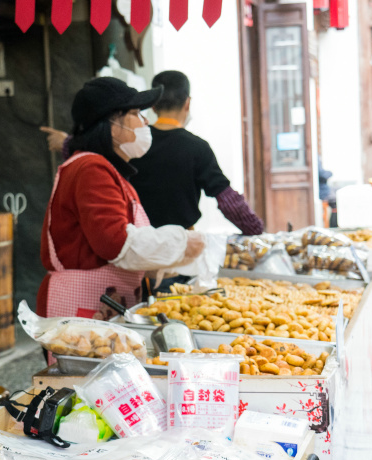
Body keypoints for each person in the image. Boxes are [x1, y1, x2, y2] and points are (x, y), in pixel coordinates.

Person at [38, 77, 204, 321]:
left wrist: (154, 264)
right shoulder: (91, 168)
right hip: (82, 309)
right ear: (112, 124)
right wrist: (181, 241)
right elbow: (115, 242)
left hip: (104, 304)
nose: (146, 121)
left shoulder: (108, 169)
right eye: (137, 113)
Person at [40, 72, 263, 236]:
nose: (142, 120)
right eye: (135, 113)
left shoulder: (131, 143)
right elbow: (227, 199)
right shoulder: (196, 148)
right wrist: (257, 232)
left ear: (153, 108)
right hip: (150, 245)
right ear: (188, 103)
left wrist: (67, 142)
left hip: (145, 243)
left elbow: (96, 150)